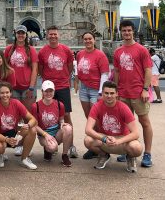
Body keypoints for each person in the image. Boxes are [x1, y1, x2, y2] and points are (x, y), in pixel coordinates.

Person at [113, 20, 153, 167]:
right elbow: (116, 71)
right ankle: (127, 150)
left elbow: (148, 70)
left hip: (138, 92)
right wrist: (116, 90)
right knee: (125, 125)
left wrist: (145, 89)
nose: (127, 33)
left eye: (129, 30)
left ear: (133, 31)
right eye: (124, 31)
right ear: (121, 32)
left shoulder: (141, 50)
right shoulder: (118, 51)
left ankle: (147, 153)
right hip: (123, 93)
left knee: (144, 122)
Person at [84, 81, 143, 173]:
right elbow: (88, 130)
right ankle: (104, 155)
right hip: (105, 138)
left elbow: (136, 133)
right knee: (88, 140)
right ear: (102, 94)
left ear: (117, 94)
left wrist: (118, 141)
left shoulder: (123, 108)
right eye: (106, 93)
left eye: (112, 93)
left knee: (137, 148)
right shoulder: (97, 106)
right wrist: (103, 138)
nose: (109, 96)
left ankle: (130, 157)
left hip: (121, 140)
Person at [38, 25, 78, 158]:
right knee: (48, 115)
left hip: (62, 87)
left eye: (55, 34)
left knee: (66, 115)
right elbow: (40, 68)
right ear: (47, 35)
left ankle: (71, 145)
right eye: (50, 34)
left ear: (58, 35)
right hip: (49, 88)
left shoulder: (66, 50)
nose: (53, 36)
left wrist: (64, 77)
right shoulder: (43, 51)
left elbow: (70, 66)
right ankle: (49, 143)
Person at [74, 31, 110, 159]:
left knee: (97, 119)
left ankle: (102, 146)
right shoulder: (80, 54)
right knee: (89, 118)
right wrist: (76, 82)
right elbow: (77, 69)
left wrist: (101, 92)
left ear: (94, 40)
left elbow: (105, 75)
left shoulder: (100, 55)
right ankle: (94, 147)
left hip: (96, 90)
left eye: (90, 39)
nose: (88, 41)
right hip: (84, 88)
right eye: (85, 39)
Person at [4, 25, 38, 156]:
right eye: (18, 33)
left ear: (26, 35)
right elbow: (5, 68)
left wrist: (31, 86)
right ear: (15, 34)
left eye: (23, 33)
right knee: (16, 118)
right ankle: (18, 143)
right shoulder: (9, 49)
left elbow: (35, 69)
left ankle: (25, 144)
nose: (21, 35)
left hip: (27, 88)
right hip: (13, 88)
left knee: (27, 117)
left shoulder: (31, 50)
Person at [0, 82, 38, 170]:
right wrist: (7, 139)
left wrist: (28, 125)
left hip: (15, 134)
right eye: (2, 93)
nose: (5, 95)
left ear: (11, 93)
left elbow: (33, 119)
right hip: (1, 137)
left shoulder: (16, 103)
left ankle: (24, 159)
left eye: (7, 92)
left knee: (32, 130)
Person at [31, 80, 73, 166]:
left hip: (56, 133)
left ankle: (64, 155)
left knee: (68, 128)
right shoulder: (36, 106)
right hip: (43, 134)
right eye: (46, 91)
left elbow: (61, 119)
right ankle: (47, 149)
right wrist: (45, 135)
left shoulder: (59, 104)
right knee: (52, 148)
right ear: (42, 92)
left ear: (54, 91)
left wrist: (62, 123)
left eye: (51, 91)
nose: (48, 93)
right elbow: (35, 125)